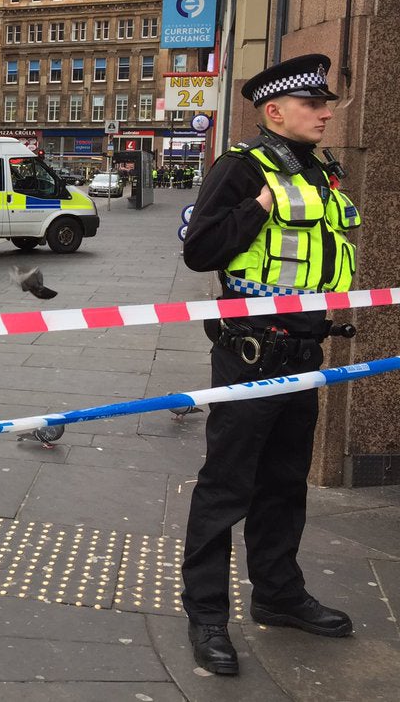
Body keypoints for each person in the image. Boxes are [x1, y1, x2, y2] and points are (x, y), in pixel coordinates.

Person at [180, 53, 360, 676]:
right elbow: (199, 251)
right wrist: (257, 204)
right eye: (316, 104)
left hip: (305, 355)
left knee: (284, 485)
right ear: (276, 111)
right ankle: (206, 616)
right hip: (249, 355)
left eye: (327, 103)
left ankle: (279, 596)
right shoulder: (240, 167)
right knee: (226, 487)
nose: (328, 112)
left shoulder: (322, 171)